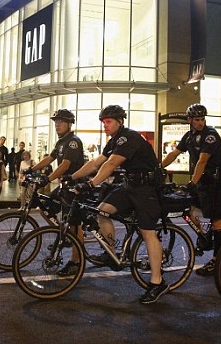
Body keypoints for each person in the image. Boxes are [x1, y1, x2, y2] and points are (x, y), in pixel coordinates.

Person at [68, 105, 168, 304]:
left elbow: (111, 164)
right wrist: (72, 176)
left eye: (108, 122)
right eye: (103, 122)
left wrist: (90, 184)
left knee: (148, 232)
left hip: (146, 188)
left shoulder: (128, 137)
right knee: (103, 211)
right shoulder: (114, 140)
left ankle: (157, 283)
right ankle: (111, 253)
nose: (105, 126)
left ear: (120, 122)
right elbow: (97, 162)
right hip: (129, 186)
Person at [161, 103, 221, 276]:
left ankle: (216, 261)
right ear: (189, 120)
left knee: (216, 220)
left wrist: (192, 182)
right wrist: (157, 167)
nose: (200, 122)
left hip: (214, 183)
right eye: (197, 119)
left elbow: (202, 161)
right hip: (201, 183)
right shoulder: (189, 136)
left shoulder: (210, 135)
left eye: (202, 119)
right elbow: (174, 153)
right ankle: (204, 236)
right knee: (187, 209)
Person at [30, 109, 85, 275]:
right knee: (44, 208)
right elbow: (50, 159)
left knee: (75, 225)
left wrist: (48, 179)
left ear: (69, 124)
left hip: (74, 187)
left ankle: (76, 262)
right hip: (64, 186)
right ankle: (64, 234)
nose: (57, 124)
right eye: (56, 122)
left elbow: (65, 165)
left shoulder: (73, 142)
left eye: (61, 122)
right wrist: (31, 170)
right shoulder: (61, 142)